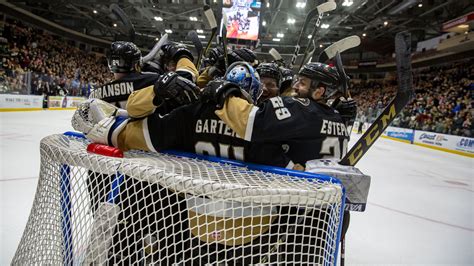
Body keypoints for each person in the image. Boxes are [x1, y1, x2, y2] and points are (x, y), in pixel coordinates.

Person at [206, 62, 357, 166]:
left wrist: (224, 92)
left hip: (294, 203)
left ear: (319, 91)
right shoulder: (337, 117)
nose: (296, 86)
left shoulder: (300, 108)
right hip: (327, 203)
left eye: (302, 83)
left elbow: (251, 122)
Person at [89, 41, 197, 109]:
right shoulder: (150, 81)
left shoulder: (95, 94)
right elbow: (184, 80)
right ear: (137, 63)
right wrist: (182, 55)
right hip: (140, 138)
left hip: (109, 140)